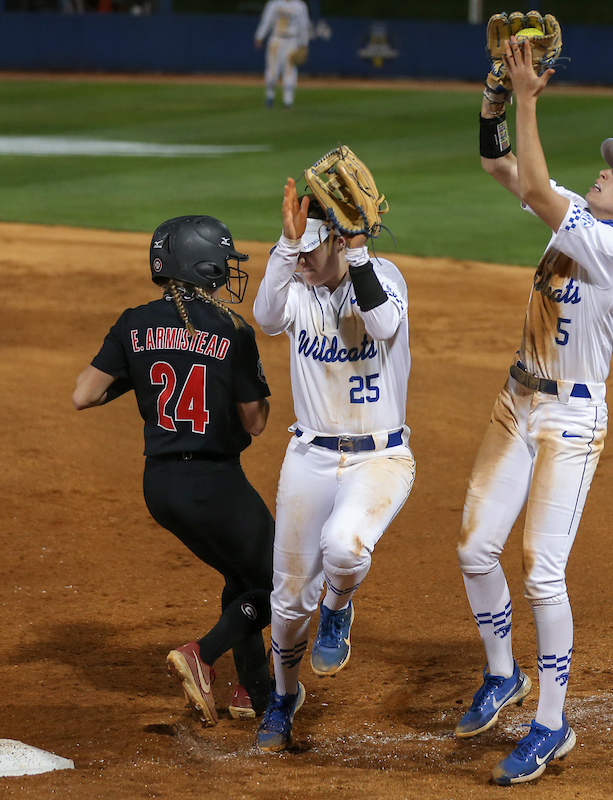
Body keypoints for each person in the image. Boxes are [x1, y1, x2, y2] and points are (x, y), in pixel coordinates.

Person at [457, 36, 613, 785]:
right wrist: (495, 105)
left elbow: (534, 187)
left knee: (541, 575)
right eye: (612, 166)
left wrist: (527, 98)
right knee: (473, 549)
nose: (609, 171)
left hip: (570, 426)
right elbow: (502, 169)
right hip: (516, 406)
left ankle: (551, 724)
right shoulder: (583, 232)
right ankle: (503, 676)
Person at [72, 215, 276, 727]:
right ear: (202, 267)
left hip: (160, 486)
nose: (228, 271)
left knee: (243, 575)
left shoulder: (133, 322)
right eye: (223, 263)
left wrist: (140, 375)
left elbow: (85, 395)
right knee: (291, 585)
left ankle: (254, 691)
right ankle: (202, 656)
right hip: (215, 485)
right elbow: (255, 423)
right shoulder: (232, 331)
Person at [250, 177, 416, 753]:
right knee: (287, 604)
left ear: (343, 244)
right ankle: (282, 698)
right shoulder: (297, 284)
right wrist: (286, 245)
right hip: (309, 458)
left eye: (313, 250)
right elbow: (266, 317)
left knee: (344, 549)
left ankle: (339, 607)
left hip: (381, 458)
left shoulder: (383, 277)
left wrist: (359, 251)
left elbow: (384, 325)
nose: (303, 263)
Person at [254, 0, 330, 109]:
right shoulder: (274, 3)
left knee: (289, 70)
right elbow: (267, 21)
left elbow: (304, 25)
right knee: (272, 70)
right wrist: (260, 36)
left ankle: (288, 100)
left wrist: (304, 43)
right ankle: (270, 96)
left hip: (292, 40)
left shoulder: (299, 5)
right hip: (276, 39)